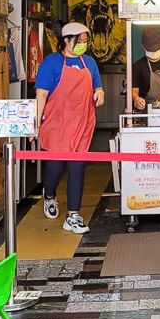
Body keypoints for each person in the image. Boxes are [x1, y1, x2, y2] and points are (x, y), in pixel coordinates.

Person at [35, 22, 104, 234]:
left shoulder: (89, 62)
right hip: (57, 124)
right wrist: (34, 124)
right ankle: (49, 194)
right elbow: (41, 95)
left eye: (85, 40)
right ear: (67, 40)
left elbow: (97, 85)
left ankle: (73, 216)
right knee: (55, 168)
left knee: (77, 169)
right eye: (79, 40)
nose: (83, 44)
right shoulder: (51, 63)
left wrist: (99, 92)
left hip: (82, 125)